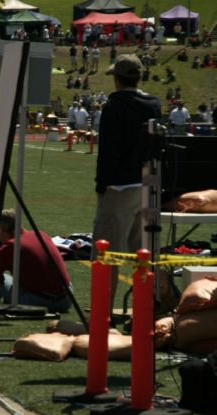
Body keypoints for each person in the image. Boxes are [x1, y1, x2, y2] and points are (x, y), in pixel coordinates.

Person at [93, 54, 161, 318]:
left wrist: (102, 185)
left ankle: (103, 313)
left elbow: (108, 152)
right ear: (140, 77)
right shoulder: (153, 105)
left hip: (118, 186)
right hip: (147, 185)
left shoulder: (114, 107)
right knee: (141, 253)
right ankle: (144, 310)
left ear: (117, 80)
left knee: (106, 253)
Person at [0, 209, 72, 313]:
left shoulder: (9, 247)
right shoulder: (41, 234)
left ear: (1, 228)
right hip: (66, 301)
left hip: (37, 302)